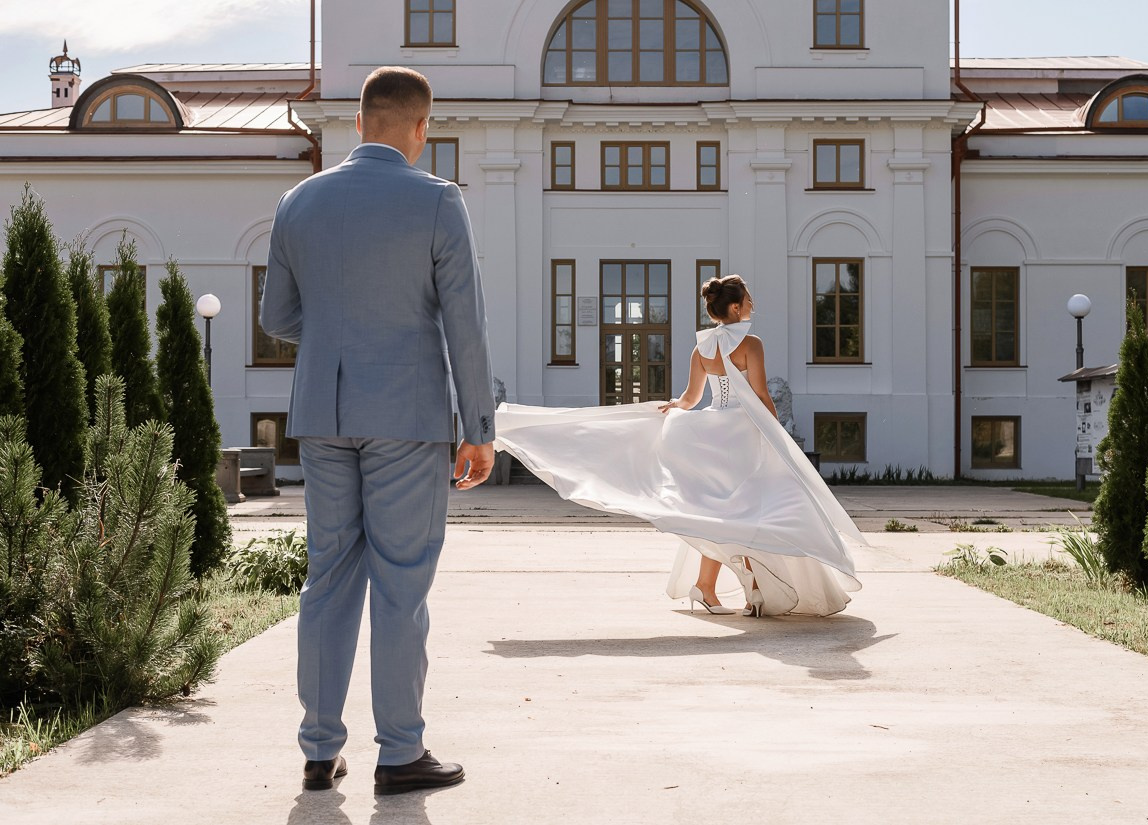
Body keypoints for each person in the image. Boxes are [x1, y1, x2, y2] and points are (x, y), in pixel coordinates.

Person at [260, 66, 494, 796]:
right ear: (422, 128)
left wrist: (336, 332)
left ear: (359, 124)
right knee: (399, 584)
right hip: (408, 413)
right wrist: (479, 427)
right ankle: (400, 751)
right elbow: (465, 324)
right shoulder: (437, 201)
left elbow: (276, 317)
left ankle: (319, 750)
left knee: (327, 579)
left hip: (324, 415)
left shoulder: (298, 200)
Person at [495, 274, 862, 618]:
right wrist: (777, 433)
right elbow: (762, 395)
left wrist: (673, 407)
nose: (752, 303)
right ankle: (746, 589)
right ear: (735, 309)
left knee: (724, 514)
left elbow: (690, 398)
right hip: (743, 434)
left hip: (713, 432)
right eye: (748, 299)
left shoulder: (702, 346)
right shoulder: (751, 344)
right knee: (753, 510)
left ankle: (717, 587)